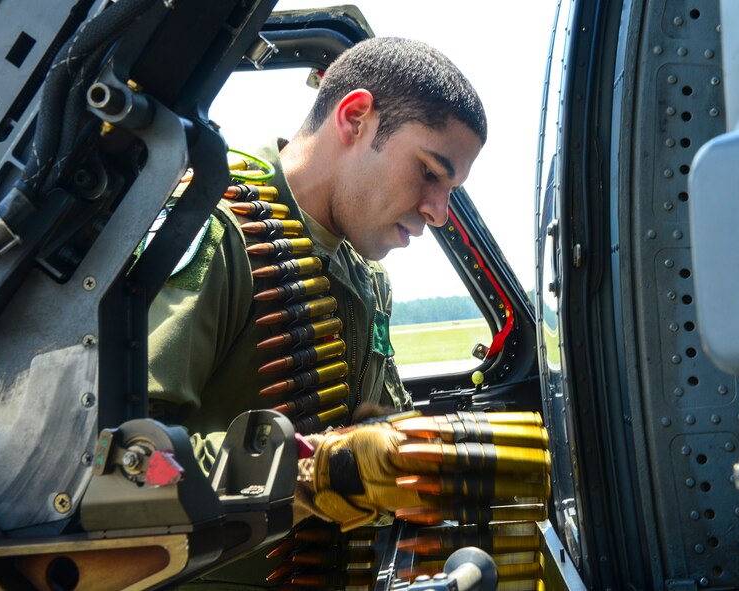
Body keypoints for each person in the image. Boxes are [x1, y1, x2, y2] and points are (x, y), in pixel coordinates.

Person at [146, 36, 486, 586]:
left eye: (450, 189)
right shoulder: (217, 235)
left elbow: (378, 428)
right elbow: (123, 465)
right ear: (356, 118)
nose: (439, 213)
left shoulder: (366, 276)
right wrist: (309, 474)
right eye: (429, 172)